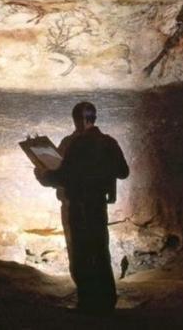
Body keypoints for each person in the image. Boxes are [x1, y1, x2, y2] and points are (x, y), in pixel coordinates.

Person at [35, 101, 129, 314]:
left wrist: (43, 176)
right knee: (100, 250)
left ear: (81, 119)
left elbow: (61, 176)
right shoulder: (109, 142)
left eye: (76, 118)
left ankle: (88, 302)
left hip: (76, 206)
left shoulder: (75, 144)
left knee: (80, 254)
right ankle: (107, 299)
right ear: (94, 118)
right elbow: (123, 172)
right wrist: (105, 173)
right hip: (97, 205)